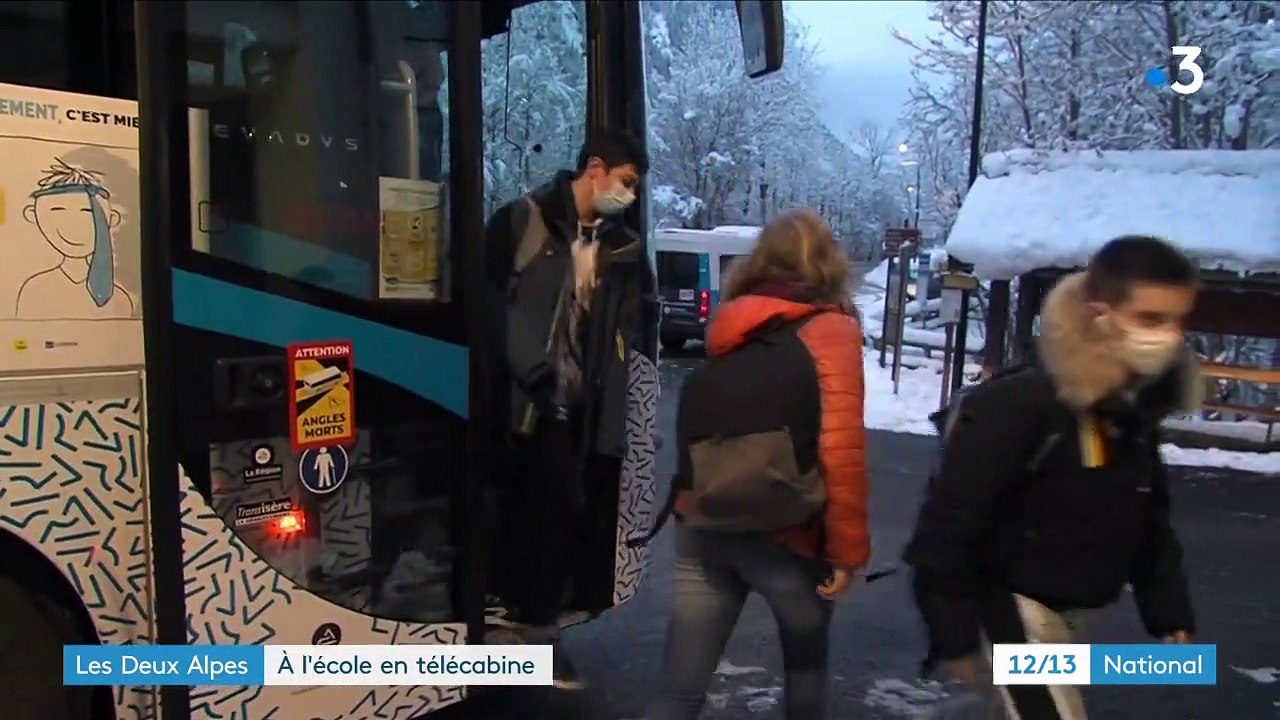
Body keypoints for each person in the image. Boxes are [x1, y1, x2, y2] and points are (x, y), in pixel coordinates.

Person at [904, 235, 1201, 720]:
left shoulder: (1131, 410)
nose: (1169, 337)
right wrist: (953, 635)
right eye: (1151, 318)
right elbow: (948, 525)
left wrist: (1169, 612)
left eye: (1177, 320)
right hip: (1010, 609)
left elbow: (1148, 519)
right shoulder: (1019, 405)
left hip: (1075, 611)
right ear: (1100, 313)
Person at [649, 209, 869, 720]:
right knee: (804, 676)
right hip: (788, 534)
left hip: (704, 520)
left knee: (678, 694)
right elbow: (841, 450)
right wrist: (846, 552)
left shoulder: (730, 322)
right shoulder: (831, 328)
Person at [482, 128, 655, 689]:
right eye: (625, 182)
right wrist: (531, 374)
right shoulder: (522, 221)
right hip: (525, 396)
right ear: (595, 169)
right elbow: (493, 309)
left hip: (582, 405)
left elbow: (626, 337)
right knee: (548, 509)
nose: (628, 195)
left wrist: (617, 421)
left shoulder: (623, 250)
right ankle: (538, 632)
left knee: (569, 513)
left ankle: (526, 616)